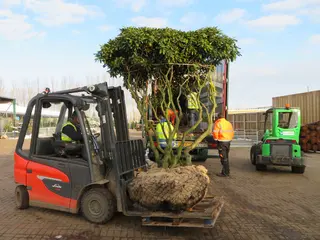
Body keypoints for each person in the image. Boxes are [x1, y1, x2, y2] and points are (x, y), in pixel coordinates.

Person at [213, 113, 234, 177]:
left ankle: (225, 173)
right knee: (226, 157)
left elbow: (215, 132)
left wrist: (216, 139)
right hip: (228, 142)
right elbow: (232, 132)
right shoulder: (228, 123)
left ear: (218, 117)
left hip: (221, 142)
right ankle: (225, 171)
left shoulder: (218, 123)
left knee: (223, 157)